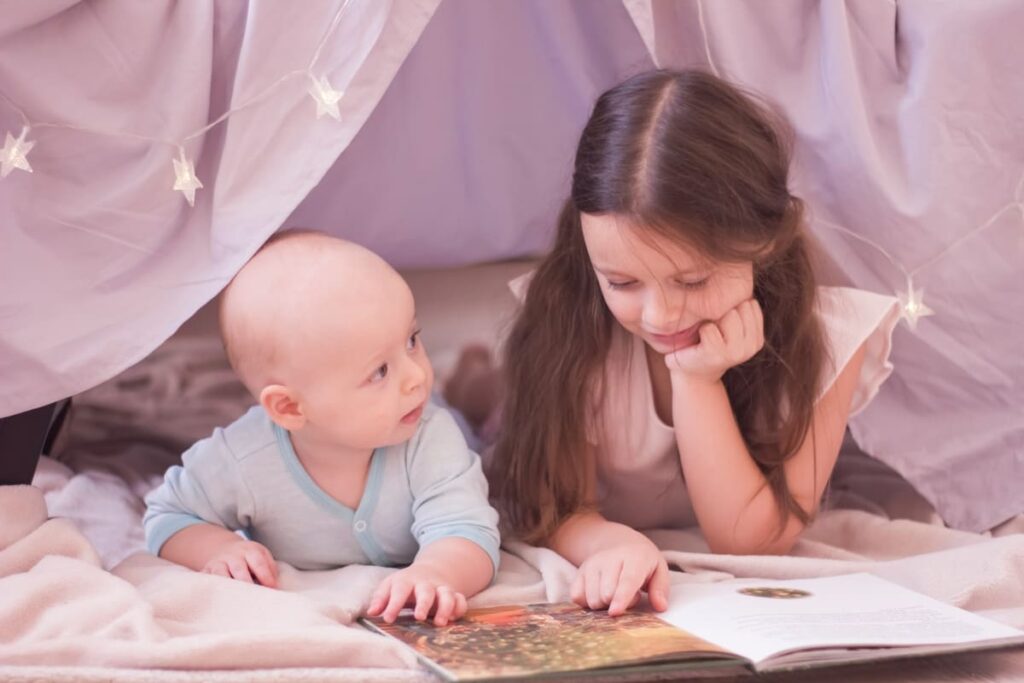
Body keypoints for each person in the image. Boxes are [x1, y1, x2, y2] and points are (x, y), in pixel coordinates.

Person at [447, 69, 900, 617]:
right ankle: (471, 381)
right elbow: (555, 508)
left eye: (693, 281)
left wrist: (696, 380)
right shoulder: (571, 319)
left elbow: (750, 540)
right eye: (622, 282)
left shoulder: (830, 338)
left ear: (761, 243)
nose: (660, 316)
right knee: (491, 410)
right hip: (529, 393)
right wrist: (611, 541)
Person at [144, 230, 500, 626]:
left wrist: (436, 571)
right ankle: (466, 376)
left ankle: (470, 378)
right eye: (379, 371)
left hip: (449, 421)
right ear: (290, 407)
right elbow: (169, 515)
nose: (416, 375)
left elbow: (466, 529)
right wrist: (216, 547)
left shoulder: (430, 435)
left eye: (412, 340)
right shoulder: (242, 458)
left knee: (484, 416)